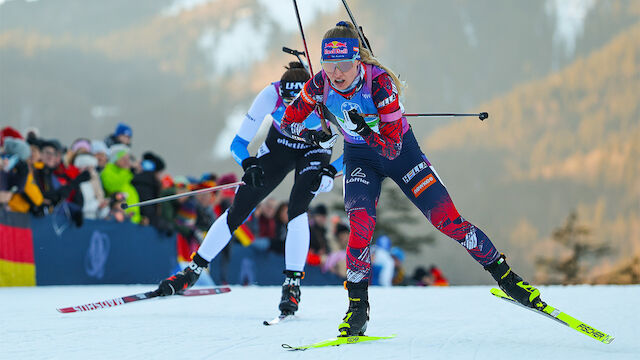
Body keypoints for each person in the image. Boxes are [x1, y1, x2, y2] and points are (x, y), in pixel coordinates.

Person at [280, 21, 545, 336]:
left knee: (448, 221)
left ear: (358, 61)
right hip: (360, 158)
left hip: (402, 154)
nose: (336, 74)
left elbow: (392, 148)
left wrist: (364, 129)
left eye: (344, 65)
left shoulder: (380, 85)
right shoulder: (319, 85)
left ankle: (508, 278)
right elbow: (288, 120)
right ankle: (357, 308)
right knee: (360, 225)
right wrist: (312, 132)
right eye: (329, 65)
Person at [156, 61, 343, 318]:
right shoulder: (270, 95)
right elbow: (239, 143)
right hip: (279, 146)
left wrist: (331, 171)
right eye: (287, 103)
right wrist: (249, 164)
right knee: (239, 208)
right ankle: (194, 270)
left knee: (298, 209)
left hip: (314, 150)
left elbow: (360, 147)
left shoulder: (329, 99)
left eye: (298, 104)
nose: (292, 109)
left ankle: (292, 285)